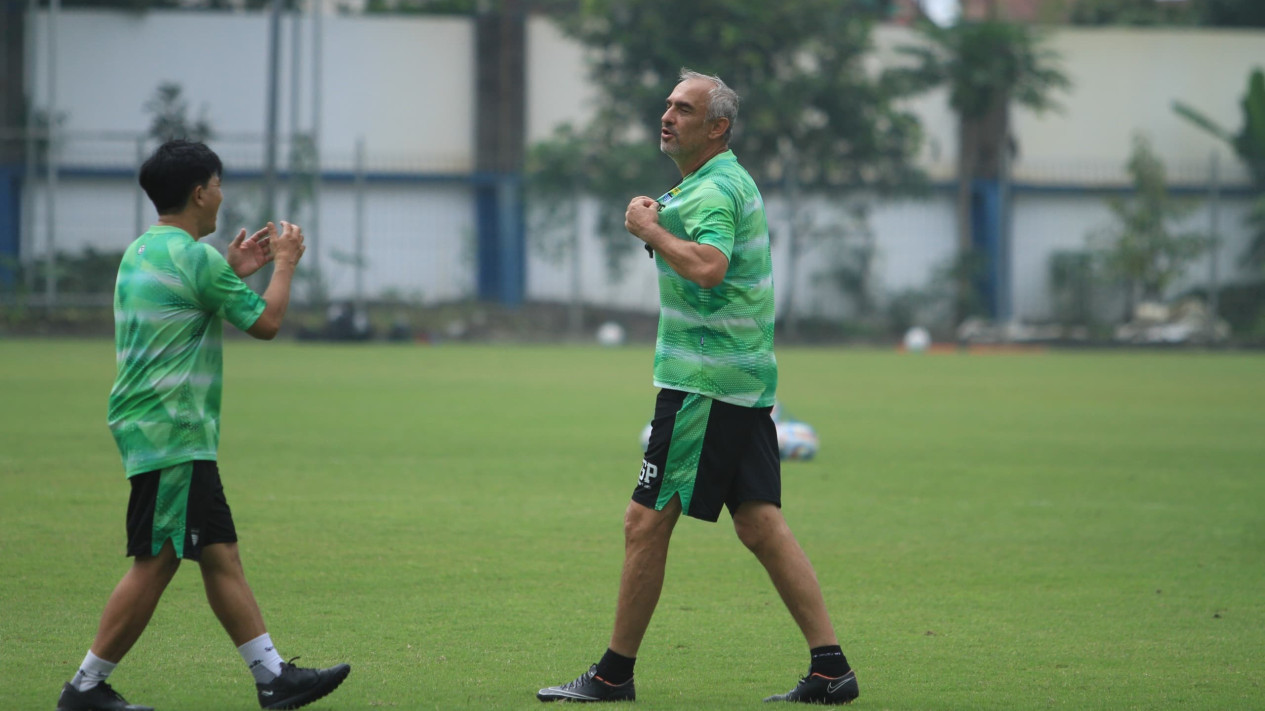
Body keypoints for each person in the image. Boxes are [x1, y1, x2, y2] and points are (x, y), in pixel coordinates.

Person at [536, 70, 859, 705]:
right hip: (741, 379)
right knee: (760, 523)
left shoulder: (714, 190)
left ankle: (611, 676)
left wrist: (650, 231)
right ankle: (831, 670)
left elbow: (710, 269)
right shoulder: (714, 182)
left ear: (718, 128)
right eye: (668, 106)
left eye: (684, 109)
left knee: (644, 523)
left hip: (704, 385)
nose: (668, 116)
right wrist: (660, 216)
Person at [56, 140, 350, 711]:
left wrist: (232, 272)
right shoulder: (196, 258)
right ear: (199, 192)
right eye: (217, 184)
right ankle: (84, 688)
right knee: (161, 557)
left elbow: (183, 303)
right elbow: (266, 322)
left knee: (218, 554)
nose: (221, 195)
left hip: (152, 425)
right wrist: (285, 263)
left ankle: (272, 676)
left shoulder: (144, 250)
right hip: (174, 431)